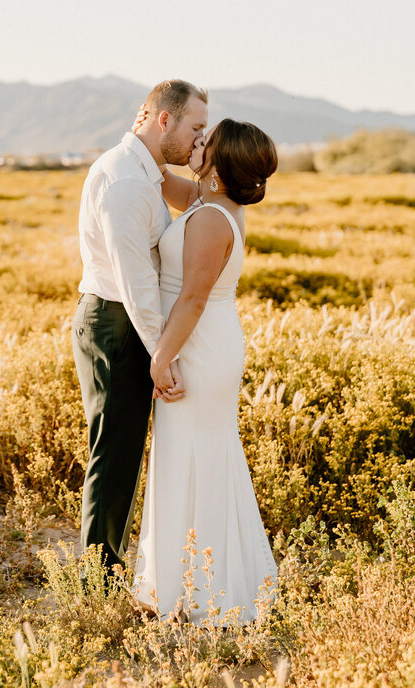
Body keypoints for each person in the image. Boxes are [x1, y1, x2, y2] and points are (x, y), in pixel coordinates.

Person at [131, 118, 280, 624]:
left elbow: (192, 299)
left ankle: (205, 592)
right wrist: (144, 138)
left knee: (198, 459)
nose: (197, 143)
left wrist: (160, 357)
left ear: (219, 162)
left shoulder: (214, 217)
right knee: (189, 458)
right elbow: (154, 174)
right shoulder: (207, 200)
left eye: (206, 141)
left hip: (200, 346)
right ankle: (183, 582)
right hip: (201, 340)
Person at [72, 79, 208, 577]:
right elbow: (137, 285)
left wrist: (204, 169)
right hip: (116, 322)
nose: (200, 141)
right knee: (115, 455)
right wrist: (162, 356)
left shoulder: (143, 171)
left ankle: (104, 574)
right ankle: (96, 584)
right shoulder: (127, 182)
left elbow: (200, 201)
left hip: (127, 321)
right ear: (164, 120)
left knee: (122, 453)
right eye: (196, 128)